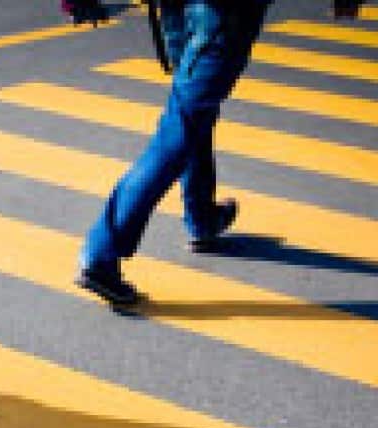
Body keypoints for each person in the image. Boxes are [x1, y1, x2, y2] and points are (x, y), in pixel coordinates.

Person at [77, 0, 364, 307]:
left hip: (177, 7)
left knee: (194, 116)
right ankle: (101, 255)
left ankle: (201, 218)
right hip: (223, 14)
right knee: (180, 130)